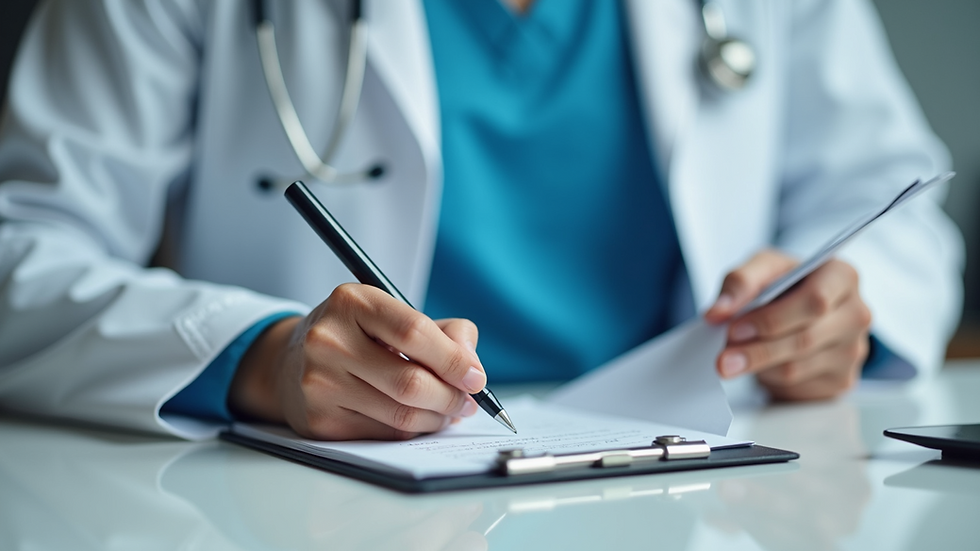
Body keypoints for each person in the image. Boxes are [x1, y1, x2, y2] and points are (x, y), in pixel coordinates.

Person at [0, 0, 962, 441]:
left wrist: (839, 314)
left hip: (702, 474)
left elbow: (900, 203)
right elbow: (22, 250)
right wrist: (260, 356)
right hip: (328, 504)